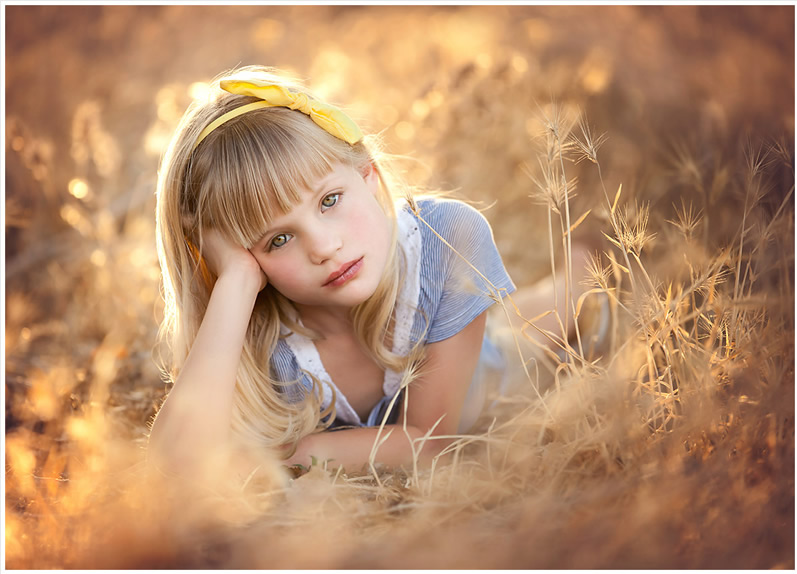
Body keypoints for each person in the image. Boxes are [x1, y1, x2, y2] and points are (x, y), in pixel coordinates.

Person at [147, 65, 601, 480]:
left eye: (329, 201)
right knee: (512, 323)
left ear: (368, 175)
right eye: (277, 240)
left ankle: (582, 263)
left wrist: (296, 453)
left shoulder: (447, 240)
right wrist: (235, 284)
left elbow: (429, 443)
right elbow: (173, 470)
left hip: (486, 378)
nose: (325, 247)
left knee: (546, 318)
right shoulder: (258, 334)